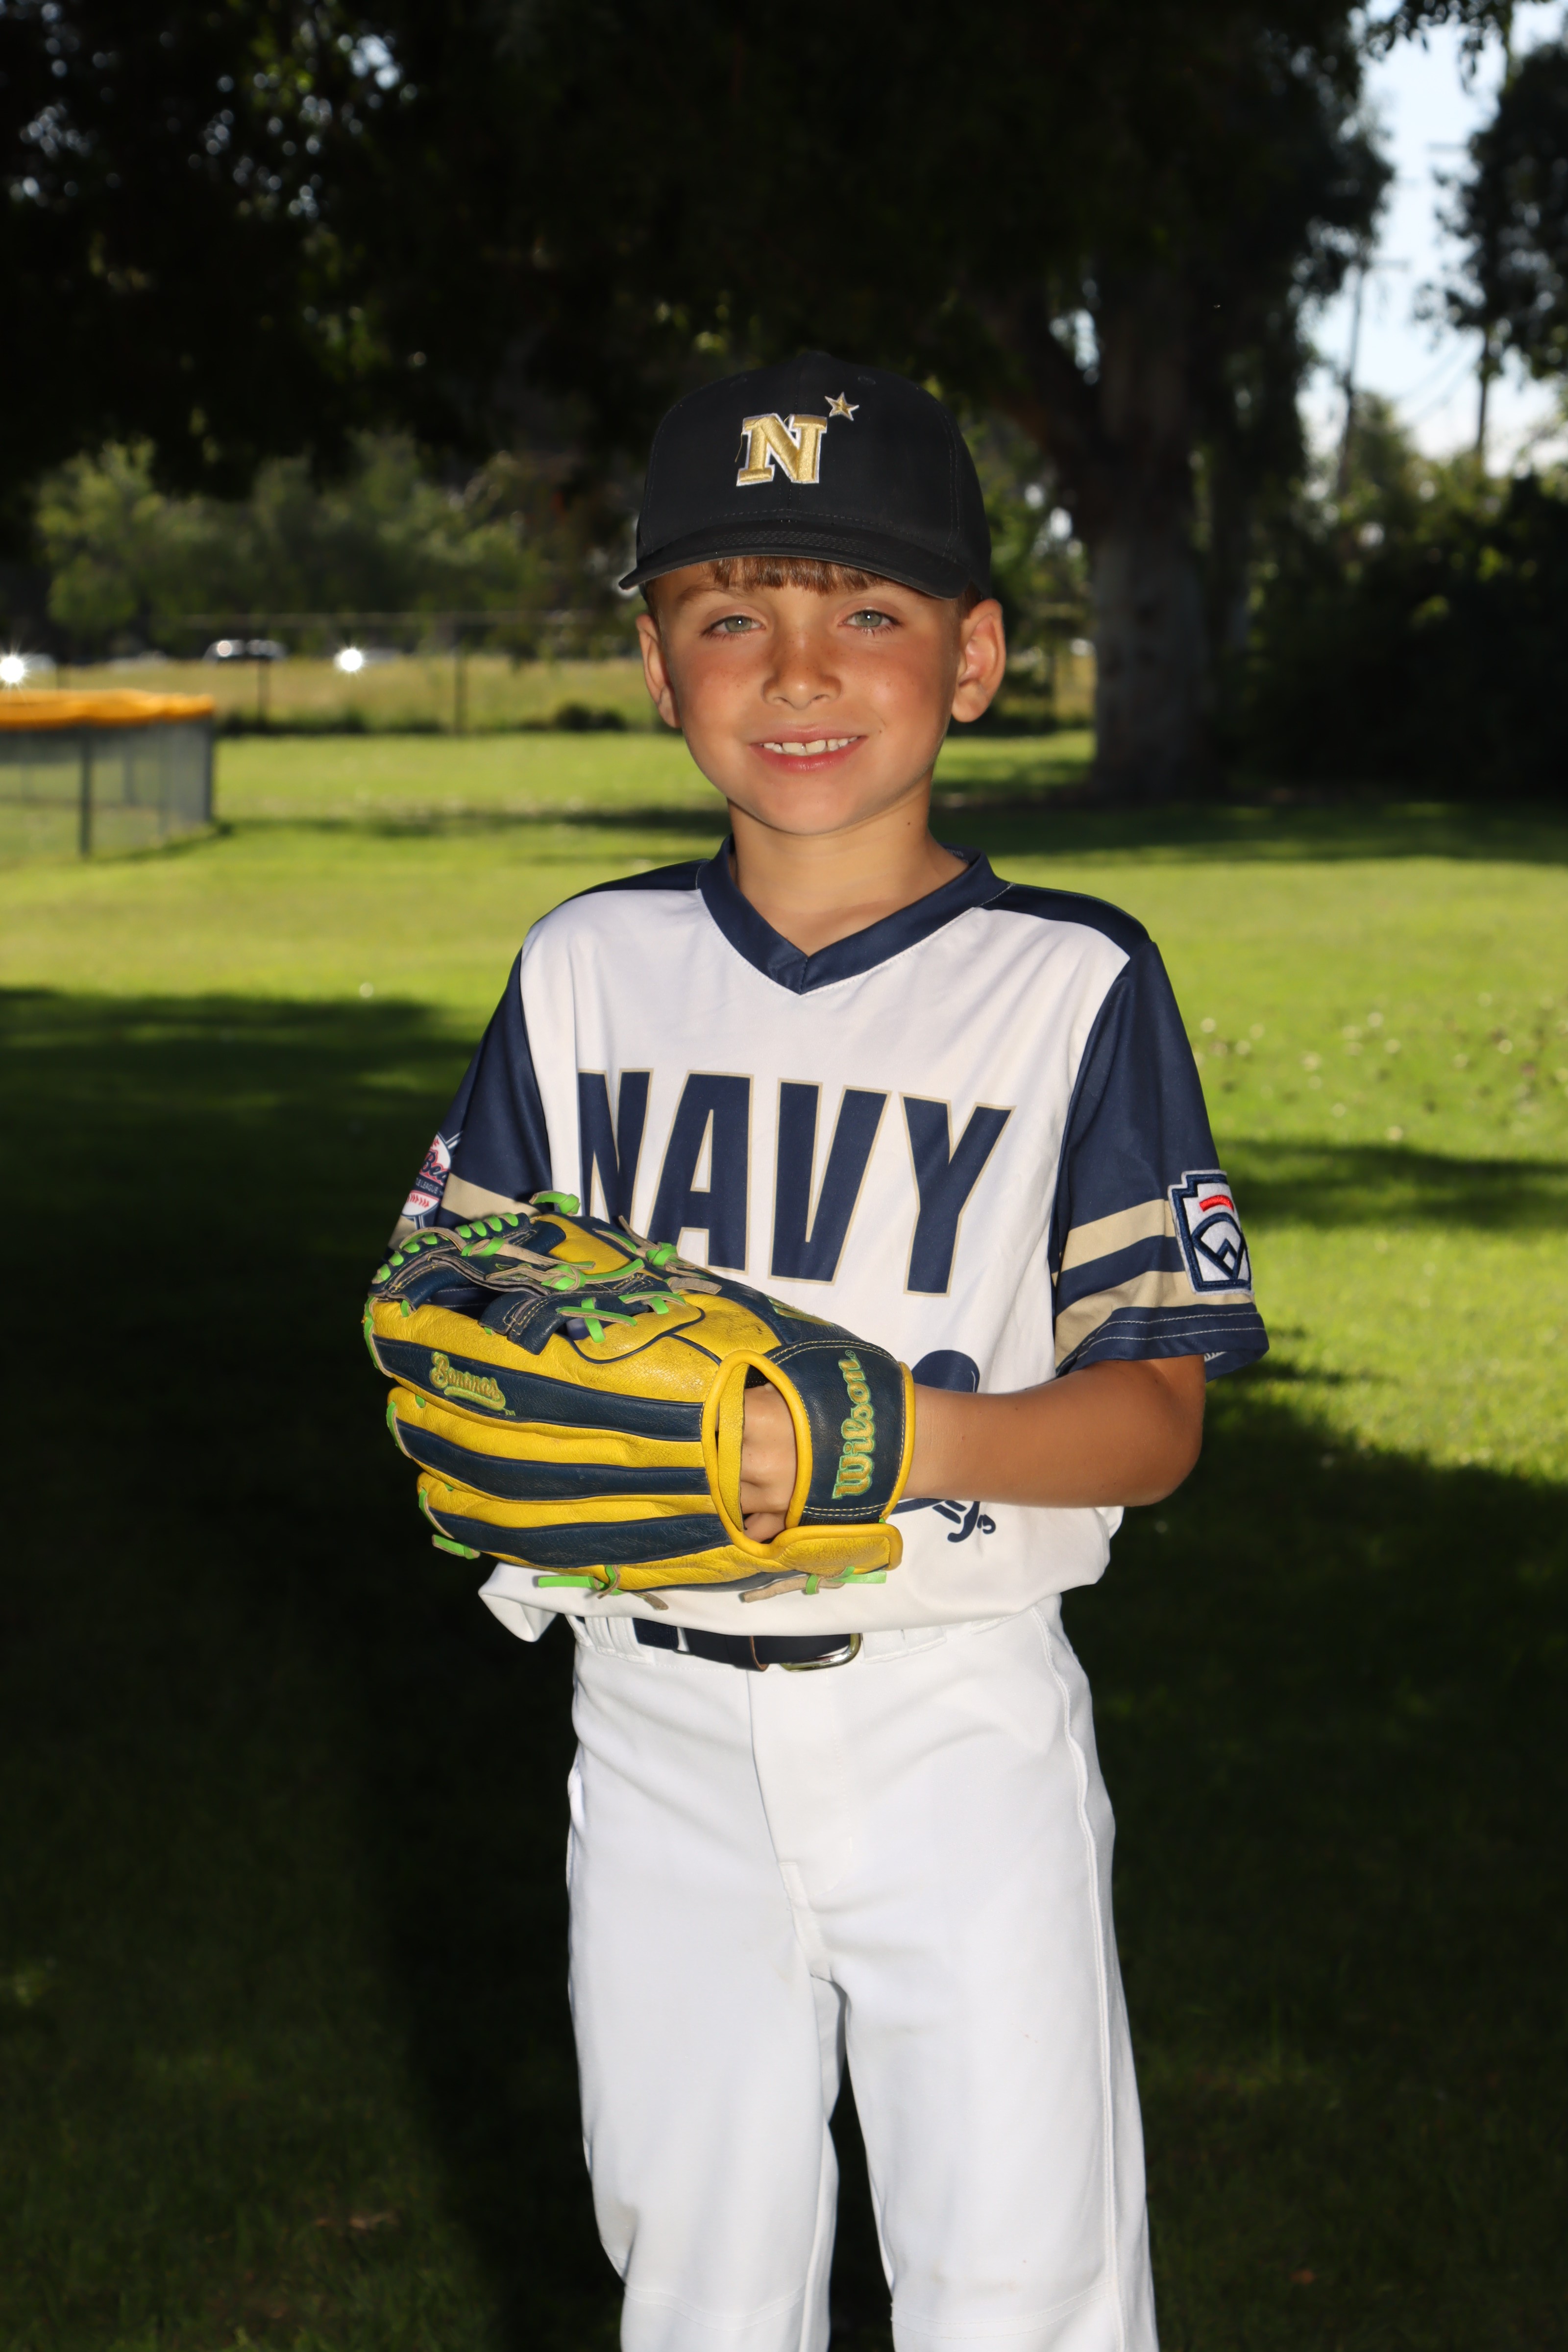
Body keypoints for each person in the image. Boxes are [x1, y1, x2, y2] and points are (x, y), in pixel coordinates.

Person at [392, 354, 1267, 2352]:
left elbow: (1154, 1422)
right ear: (655, 664)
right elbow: (452, 1303)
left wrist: (889, 1435)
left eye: (867, 609)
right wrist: (504, 1383)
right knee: (694, 2283)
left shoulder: (1069, 981)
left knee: (1018, 2286)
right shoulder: (586, 968)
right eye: (730, 615)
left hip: (953, 1719)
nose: (797, 669)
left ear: (975, 657)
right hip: (654, 1721)